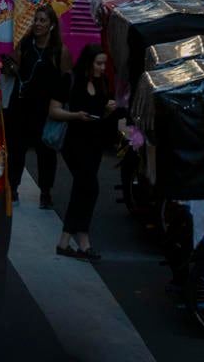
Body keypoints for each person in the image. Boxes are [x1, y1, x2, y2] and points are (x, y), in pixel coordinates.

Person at [48, 44, 123, 261]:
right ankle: (81, 242)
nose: (102, 67)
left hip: (94, 143)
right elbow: (54, 110)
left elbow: (102, 110)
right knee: (88, 186)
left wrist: (108, 109)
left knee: (86, 188)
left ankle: (67, 240)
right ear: (88, 62)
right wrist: (76, 116)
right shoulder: (70, 80)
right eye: (98, 63)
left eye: (104, 63)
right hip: (74, 143)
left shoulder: (102, 82)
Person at [1, 5, 70, 206]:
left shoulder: (59, 51)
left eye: (43, 21)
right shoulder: (26, 43)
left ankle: (45, 192)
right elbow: (14, 66)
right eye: (36, 20)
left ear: (51, 26)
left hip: (45, 109)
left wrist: (59, 107)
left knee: (46, 153)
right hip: (21, 105)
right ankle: (12, 188)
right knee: (16, 150)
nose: (38, 24)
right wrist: (10, 66)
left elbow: (65, 79)